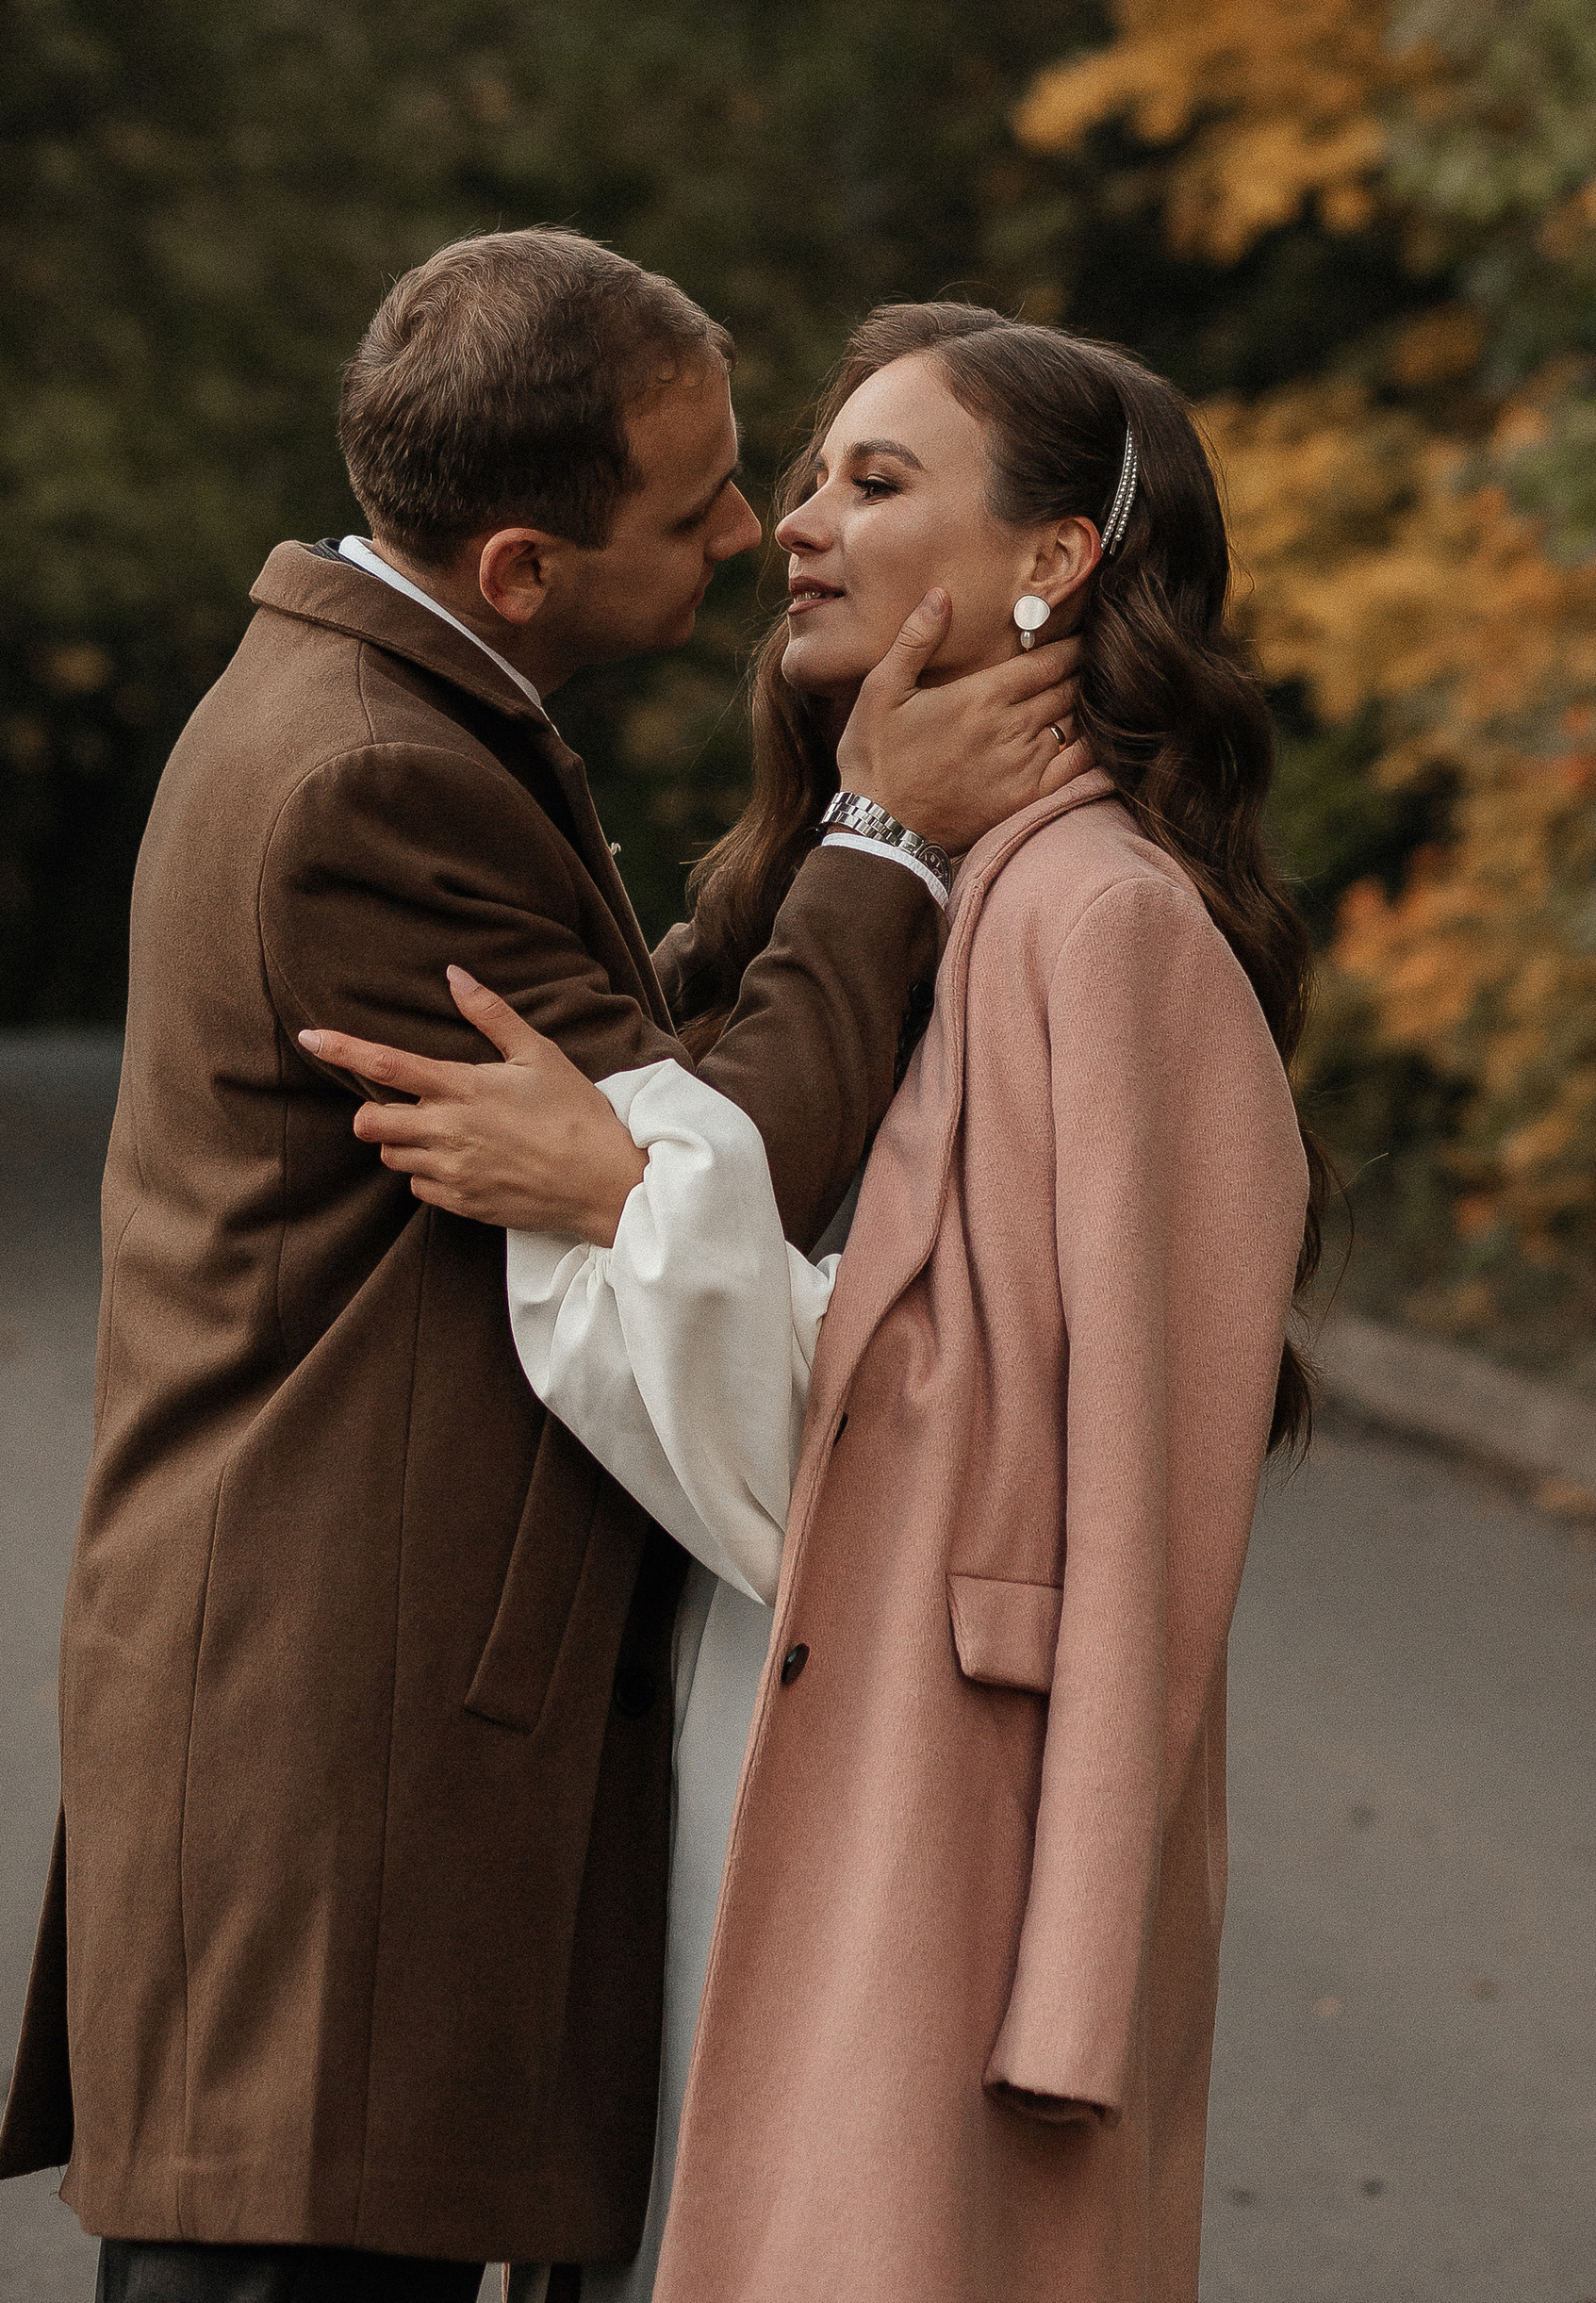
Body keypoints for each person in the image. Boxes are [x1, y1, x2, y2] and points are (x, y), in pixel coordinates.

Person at [0, 237, 1083, 2303]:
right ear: (518, 567)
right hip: (346, 1713)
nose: (752, 529)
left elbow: (636, 1099)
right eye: (695, 507)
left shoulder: (399, 700)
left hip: (346, 1685)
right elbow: (723, 1170)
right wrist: (882, 841)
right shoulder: (367, 773)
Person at [308, 303, 1319, 2303]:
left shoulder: (1106, 923)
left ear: (1052, 560)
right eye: (807, 477)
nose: (793, 522)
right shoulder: (901, 887)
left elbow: (1067, 1477)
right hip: (753, 1717)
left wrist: (622, 1195)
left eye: (876, 479)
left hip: (936, 1798)